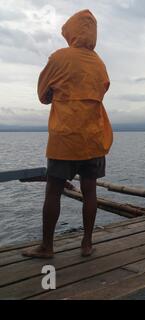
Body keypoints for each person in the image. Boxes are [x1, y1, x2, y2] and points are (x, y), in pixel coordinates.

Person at [22, 9, 113, 258]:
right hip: (93, 136)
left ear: (71, 32)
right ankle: (86, 244)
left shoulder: (59, 58)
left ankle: (47, 247)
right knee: (90, 190)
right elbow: (100, 91)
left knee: (53, 190)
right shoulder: (100, 64)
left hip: (65, 137)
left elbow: (43, 95)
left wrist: (57, 94)